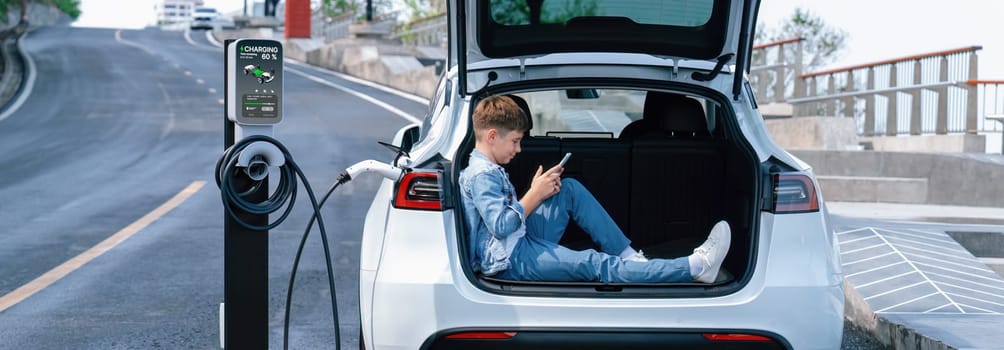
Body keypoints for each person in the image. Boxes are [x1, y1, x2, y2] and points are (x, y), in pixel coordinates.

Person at [458, 95, 731, 283]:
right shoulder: (482, 175)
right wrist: (534, 193)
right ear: (492, 136)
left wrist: (540, 192)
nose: (519, 149)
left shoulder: (488, 168)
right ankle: (695, 267)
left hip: (518, 241)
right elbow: (501, 226)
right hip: (511, 260)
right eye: (516, 141)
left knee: (569, 189)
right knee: (595, 263)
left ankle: (631, 258)